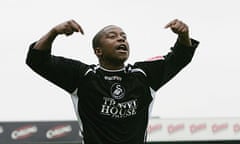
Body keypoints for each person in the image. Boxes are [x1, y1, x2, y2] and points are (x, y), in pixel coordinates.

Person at [26, 19, 199, 144]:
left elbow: (180, 56)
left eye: (124, 36)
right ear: (98, 51)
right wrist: (54, 32)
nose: (121, 39)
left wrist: (184, 34)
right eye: (112, 36)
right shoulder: (83, 77)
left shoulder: (143, 75)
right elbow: (37, 59)